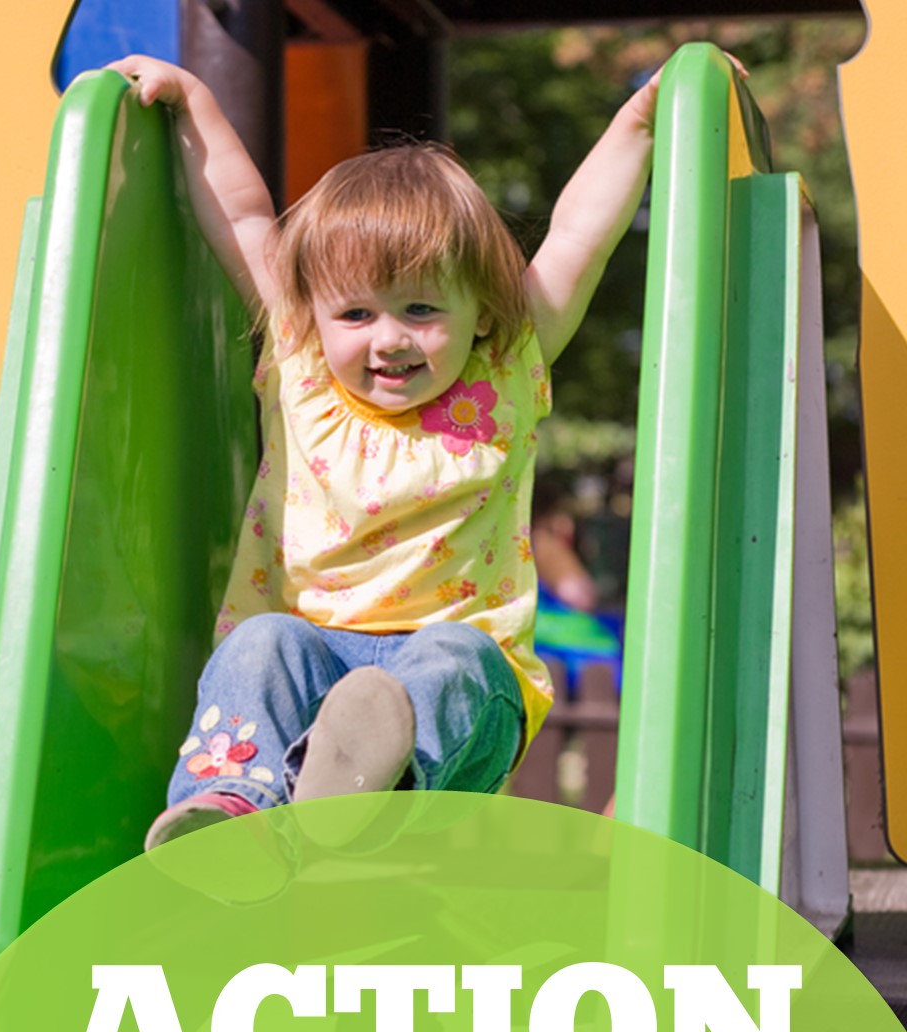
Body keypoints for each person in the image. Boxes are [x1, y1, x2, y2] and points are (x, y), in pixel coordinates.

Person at [108, 54, 665, 851]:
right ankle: (232, 813)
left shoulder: (505, 373)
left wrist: (637, 124)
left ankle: (383, 794)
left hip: (453, 687)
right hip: (313, 664)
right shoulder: (299, 365)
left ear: (482, 314)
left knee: (452, 657)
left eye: (421, 308)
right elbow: (241, 216)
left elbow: (579, 235)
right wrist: (194, 102)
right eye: (358, 313)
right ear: (315, 315)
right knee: (263, 644)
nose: (390, 339)